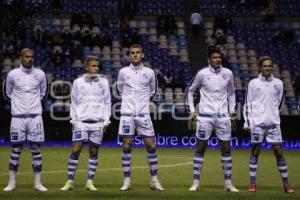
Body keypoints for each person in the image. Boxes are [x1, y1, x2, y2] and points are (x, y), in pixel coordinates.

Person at [186, 48, 239, 192]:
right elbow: (190, 91)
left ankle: (228, 183)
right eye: (214, 57)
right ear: (209, 59)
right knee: (200, 148)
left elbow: (232, 92)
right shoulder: (202, 74)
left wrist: (232, 109)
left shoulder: (228, 73)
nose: (217, 59)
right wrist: (191, 110)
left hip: (223, 118)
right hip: (205, 117)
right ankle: (195, 182)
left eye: (219, 57)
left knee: (226, 149)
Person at [243, 56, 294, 193]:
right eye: (265, 66)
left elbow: (280, 103)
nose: (267, 68)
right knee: (255, 151)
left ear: (272, 67)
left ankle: (286, 184)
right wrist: (248, 122)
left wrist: (272, 115)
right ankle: (252, 184)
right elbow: (248, 103)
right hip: (257, 125)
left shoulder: (279, 83)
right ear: (260, 67)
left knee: (279, 152)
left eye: (269, 66)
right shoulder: (253, 83)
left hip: (273, 125)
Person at [116, 44, 164, 191]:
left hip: (143, 114)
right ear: (129, 55)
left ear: (142, 55)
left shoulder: (149, 73)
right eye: (132, 53)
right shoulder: (123, 72)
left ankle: (154, 181)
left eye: (138, 52)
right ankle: (127, 181)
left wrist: (142, 103)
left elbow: (153, 91)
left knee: (152, 146)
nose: (135, 55)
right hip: (127, 114)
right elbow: (120, 90)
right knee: (126, 145)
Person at [60, 56, 111, 191]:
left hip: (98, 123)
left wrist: (106, 121)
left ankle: (89, 182)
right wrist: (73, 120)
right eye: (93, 66)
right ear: (87, 67)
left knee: (94, 152)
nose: (96, 68)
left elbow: (107, 102)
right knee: (75, 150)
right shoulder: (77, 82)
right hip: (81, 122)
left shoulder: (104, 82)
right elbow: (74, 102)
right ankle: (69, 181)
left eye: (97, 66)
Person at [2, 48, 48, 192]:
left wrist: (32, 107)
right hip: (17, 118)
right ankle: (12, 183)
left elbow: (44, 94)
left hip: (35, 117)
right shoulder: (12, 75)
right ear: (21, 58)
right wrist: (19, 105)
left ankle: (38, 183)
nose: (30, 59)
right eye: (27, 57)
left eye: (32, 57)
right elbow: (6, 94)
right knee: (16, 149)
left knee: (36, 149)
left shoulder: (40, 74)